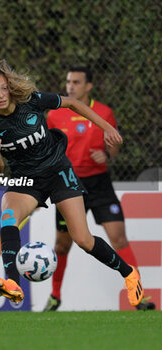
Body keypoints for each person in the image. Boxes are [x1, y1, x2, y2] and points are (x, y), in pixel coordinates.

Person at [0, 59, 144, 307]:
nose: (0, 95)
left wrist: (106, 127)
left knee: (83, 239)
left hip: (58, 171)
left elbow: (73, 103)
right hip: (26, 179)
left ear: (10, 88)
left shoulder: (31, 102)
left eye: (4, 88)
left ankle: (129, 274)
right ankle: (12, 282)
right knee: (8, 215)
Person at [44, 66, 155, 311]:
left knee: (119, 238)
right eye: (68, 81)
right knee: (62, 245)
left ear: (89, 86)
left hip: (99, 183)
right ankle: (54, 296)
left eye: (76, 82)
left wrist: (106, 154)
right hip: (69, 185)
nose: (70, 86)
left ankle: (138, 296)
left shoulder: (104, 112)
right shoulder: (54, 115)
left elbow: (114, 147)